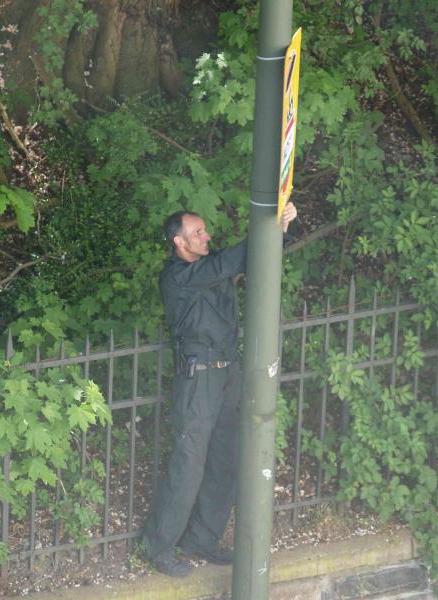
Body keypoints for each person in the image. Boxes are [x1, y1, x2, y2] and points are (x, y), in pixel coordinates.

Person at [141, 203, 298, 577]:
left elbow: (250, 262)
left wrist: (281, 230)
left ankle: (201, 537)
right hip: (199, 381)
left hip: (227, 375)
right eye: (197, 233)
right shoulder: (178, 277)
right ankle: (158, 546)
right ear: (179, 242)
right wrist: (272, 225)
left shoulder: (208, 270)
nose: (206, 236)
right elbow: (231, 261)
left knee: (227, 458)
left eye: (205, 230)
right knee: (188, 465)